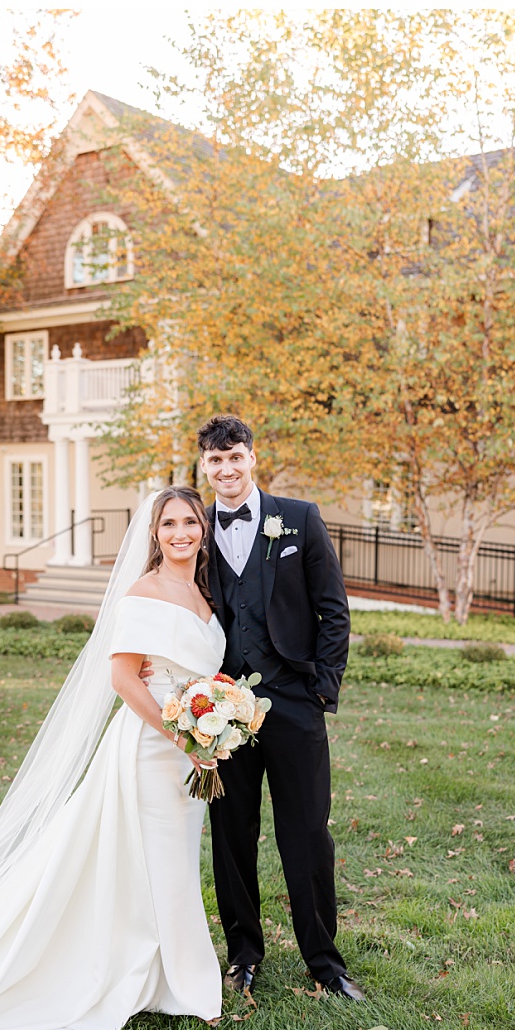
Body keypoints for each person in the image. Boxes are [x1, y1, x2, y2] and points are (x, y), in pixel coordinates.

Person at [0, 486, 223, 1030]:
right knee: (161, 862)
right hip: (149, 748)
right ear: (154, 534)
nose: (180, 533)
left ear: (203, 530)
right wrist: (180, 735)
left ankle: (164, 973)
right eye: (169, 524)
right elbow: (122, 679)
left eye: (190, 522)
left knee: (174, 861)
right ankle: (189, 986)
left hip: (192, 747)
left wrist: (213, 731)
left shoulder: (204, 597)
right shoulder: (144, 592)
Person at [196, 414, 361, 1000]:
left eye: (234, 456)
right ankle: (242, 955)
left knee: (307, 832)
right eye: (215, 460)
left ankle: (325, 961)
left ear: (252, 457)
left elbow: (333, 609)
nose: (226, 469)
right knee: (230, 834)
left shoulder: (299, 518)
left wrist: (323, 687)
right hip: (220, 706)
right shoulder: (194, 527)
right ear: (205, 467)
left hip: (293, 699)